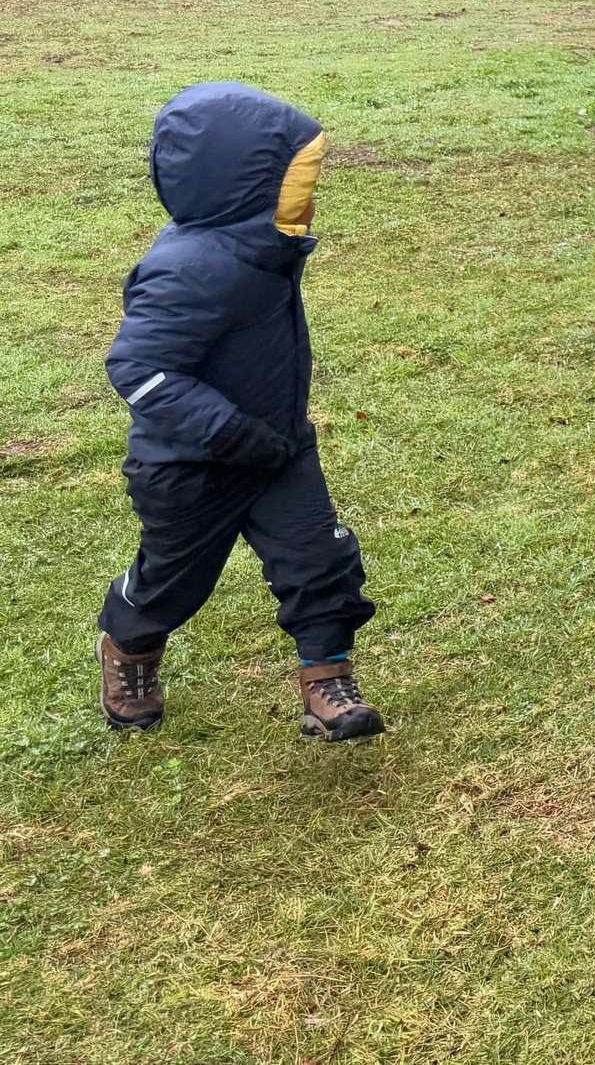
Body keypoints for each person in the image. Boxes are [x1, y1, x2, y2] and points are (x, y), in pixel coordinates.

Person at [97, 83, 383, 742]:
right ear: (245, 184)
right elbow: (138, 370)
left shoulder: (262, 247)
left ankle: (326, 678)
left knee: (321, 561)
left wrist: (265, 437)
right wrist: (225, 430)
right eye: (296, 180)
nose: (307, 195)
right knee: (174, 584)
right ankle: (129, 645)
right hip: (192, 462)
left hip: (278, 450)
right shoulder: (189, 268)